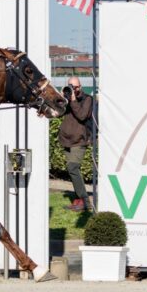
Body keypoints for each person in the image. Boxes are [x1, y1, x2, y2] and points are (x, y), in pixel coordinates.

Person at [59, 76, 93, 212]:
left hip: (79, 140)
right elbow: (57, 113)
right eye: (70, 86)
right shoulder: (66, 100)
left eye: (75, 87)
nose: (73, 89)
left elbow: (82, 116)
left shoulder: (87, 99)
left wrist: (73, 100)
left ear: (80, 86)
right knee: (71, 170)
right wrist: (61, 98)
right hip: (67, 140)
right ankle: (78, 200)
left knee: (73, 167)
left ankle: (85, 201)